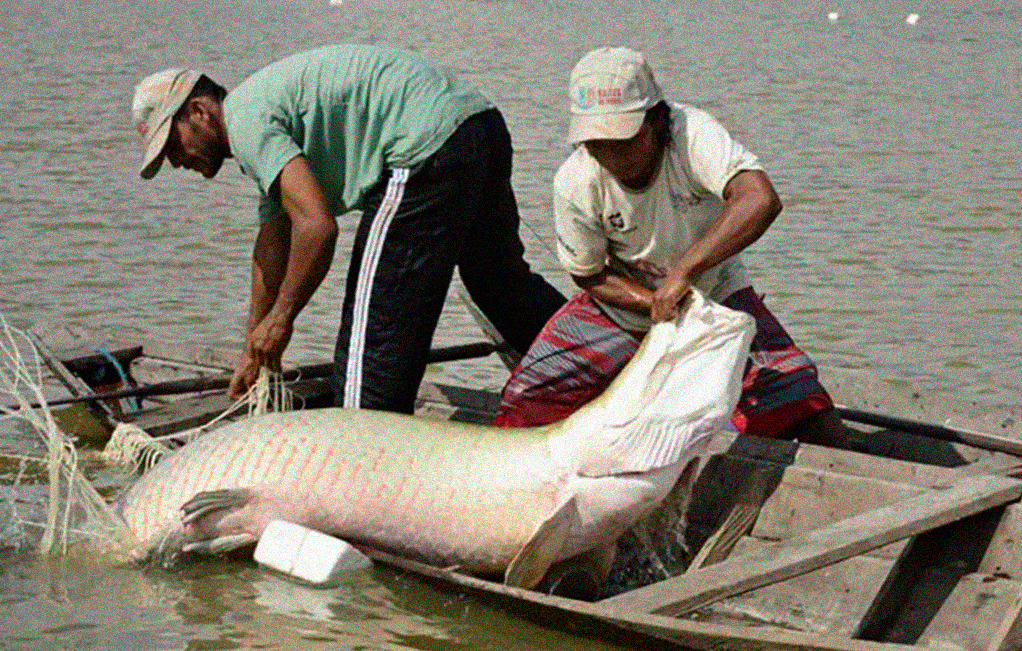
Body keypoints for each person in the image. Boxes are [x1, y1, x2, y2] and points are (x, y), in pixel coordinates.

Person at [131, 45, 565, 414]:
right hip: (478, 124)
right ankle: (602, 368)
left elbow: (317, 229)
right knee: (499, 284)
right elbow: (273, 241)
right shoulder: (258, 114)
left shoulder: (247, 122)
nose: (176, 162)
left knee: (370, 350)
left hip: (423, 145)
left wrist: (281, 321)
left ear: (200, 111)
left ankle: (364, 473)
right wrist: (253, 345)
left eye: (173, 145)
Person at [493, 47, 852, 449]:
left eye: (624, 141)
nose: (612, 157)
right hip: (620, 306)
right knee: (525, 401)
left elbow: (759, 199)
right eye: (598, 143)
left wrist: (684, 273)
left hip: (715, 296)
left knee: (801, 403)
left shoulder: (691, 134)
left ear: (657, 120)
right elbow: (589, 274)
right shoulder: (575, 180)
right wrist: (651, 302)